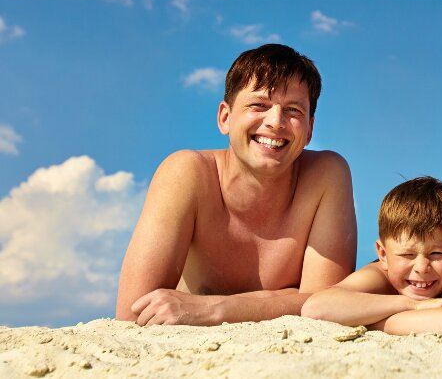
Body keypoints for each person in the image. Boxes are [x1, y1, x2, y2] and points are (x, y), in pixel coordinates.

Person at [115, 44, 357, 325]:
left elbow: (327, 306)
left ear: (310, 130)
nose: (276, 122)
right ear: (225, 117)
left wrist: (215, 308)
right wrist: (289, 298)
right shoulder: (187, 174)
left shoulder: (326, 175)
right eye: (259, 105)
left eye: (293, 110)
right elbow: (133, 312)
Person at [302, 176, 442, 334]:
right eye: (407, 254)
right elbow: (315, 308)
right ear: (383, 255)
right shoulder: (379, 275)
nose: (421, 267)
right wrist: (413, 305)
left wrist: (367, 320)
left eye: (436, 253)